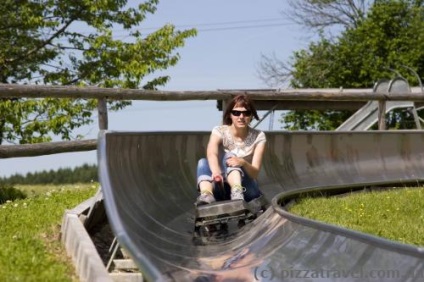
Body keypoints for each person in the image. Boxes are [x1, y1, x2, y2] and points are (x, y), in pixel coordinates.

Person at [195, 94, 266, 206]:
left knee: (230, 156)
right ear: (230, 115)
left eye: (246, 113)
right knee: (202, 163)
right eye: (236, 113)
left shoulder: (259, 136)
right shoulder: (220, 131)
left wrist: (242, 162)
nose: (241, 117)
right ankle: (206, 194)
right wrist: (215, 172)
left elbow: (255, 173)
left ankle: (237, 190)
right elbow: (211, 151)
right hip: (222, 186)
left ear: (251, 115)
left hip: (247, 188)